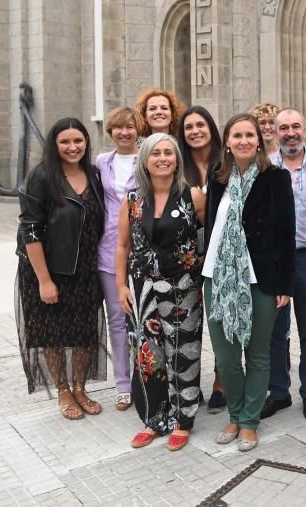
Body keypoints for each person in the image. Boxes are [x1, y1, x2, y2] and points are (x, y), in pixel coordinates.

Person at [204, 114, 295, 452]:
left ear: (258, 140)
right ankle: (235, 413)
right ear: (227, 142)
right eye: (236, 135)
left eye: (249, 135)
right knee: (226, 358)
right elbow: (212, 227)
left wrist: (286, 283)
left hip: (261, 280)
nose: (243, 140)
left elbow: (287, 234)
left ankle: (249, 422)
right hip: (219, 277)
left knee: (257, 355)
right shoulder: (217, 179)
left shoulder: (276, 179)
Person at [116, 133, 205, 451]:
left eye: (169, 152)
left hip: (184, 288)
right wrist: (120, 286)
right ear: (145, 160)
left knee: (184, 351)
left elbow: (205, 240)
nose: (163, 158)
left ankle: (183, 420)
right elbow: (122, 245)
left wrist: (204, 280)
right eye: (156, 153)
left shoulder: (192, 196)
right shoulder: (132, 201)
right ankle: (155, 419)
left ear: (177, 159)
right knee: (148, 356)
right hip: (142, 290)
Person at [16, 117, 106, 420]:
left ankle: (80, 387)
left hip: (86, 270)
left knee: (84, 332)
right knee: (52, 334)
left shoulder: (94, 174)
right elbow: (30, 229)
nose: (72, 147)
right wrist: (44, 280)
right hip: (49, 270)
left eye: (78, 141)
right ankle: (63, 391)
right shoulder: (42, 177)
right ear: (55, 145)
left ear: (86, 142)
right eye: (65, 142)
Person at [262, 108, 306, 421]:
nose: (290, 133)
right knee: (276, 330)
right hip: (275, 261)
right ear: (275, 133)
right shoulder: (264, 168)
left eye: (295, 126)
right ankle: (278, 392)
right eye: (283, 128)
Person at [177, 106, 228, 414]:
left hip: (222, 252)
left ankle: (222, 381)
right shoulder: (177, 167)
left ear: (211, 127)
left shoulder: (226, 163)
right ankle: (188, 384)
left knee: (220, 319)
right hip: (185, 256)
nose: (195, 131)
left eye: (200, 125)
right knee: (188, 321)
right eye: (188, 127)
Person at [96, 107, 142, 412]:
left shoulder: (150, 156)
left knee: (144, 318)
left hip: (142, 248)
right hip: (108, 249)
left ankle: (148, 377)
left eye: (130, 127)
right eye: (118, 128)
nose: (124, 132)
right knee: (117, 319)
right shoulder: (102, 163)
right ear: (111, 131)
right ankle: (123, 384)